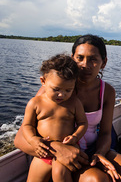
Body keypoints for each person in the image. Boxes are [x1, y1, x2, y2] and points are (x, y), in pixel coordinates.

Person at [15, 34, 121, 182]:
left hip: (91, 149)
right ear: (72, 58)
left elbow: (105, 133)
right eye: (80, 58)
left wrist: (99, 153)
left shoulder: (107, 92)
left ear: (103, 63)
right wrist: (58, 150)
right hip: (59, 148)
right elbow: (19, 139)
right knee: (96, 179)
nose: (85, 65)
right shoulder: (56, 89)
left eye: (93, 59)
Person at [22, 54, 88, 182]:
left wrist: (75, 137)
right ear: (43, 81)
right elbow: (27, 125)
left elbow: (82, 123)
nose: (61, 94)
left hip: (69, 149)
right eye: (56, 89)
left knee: (61, 177)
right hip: (44, 151)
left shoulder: (74, 103)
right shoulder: (35, 103)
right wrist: (33, 140)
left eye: (68, 90)